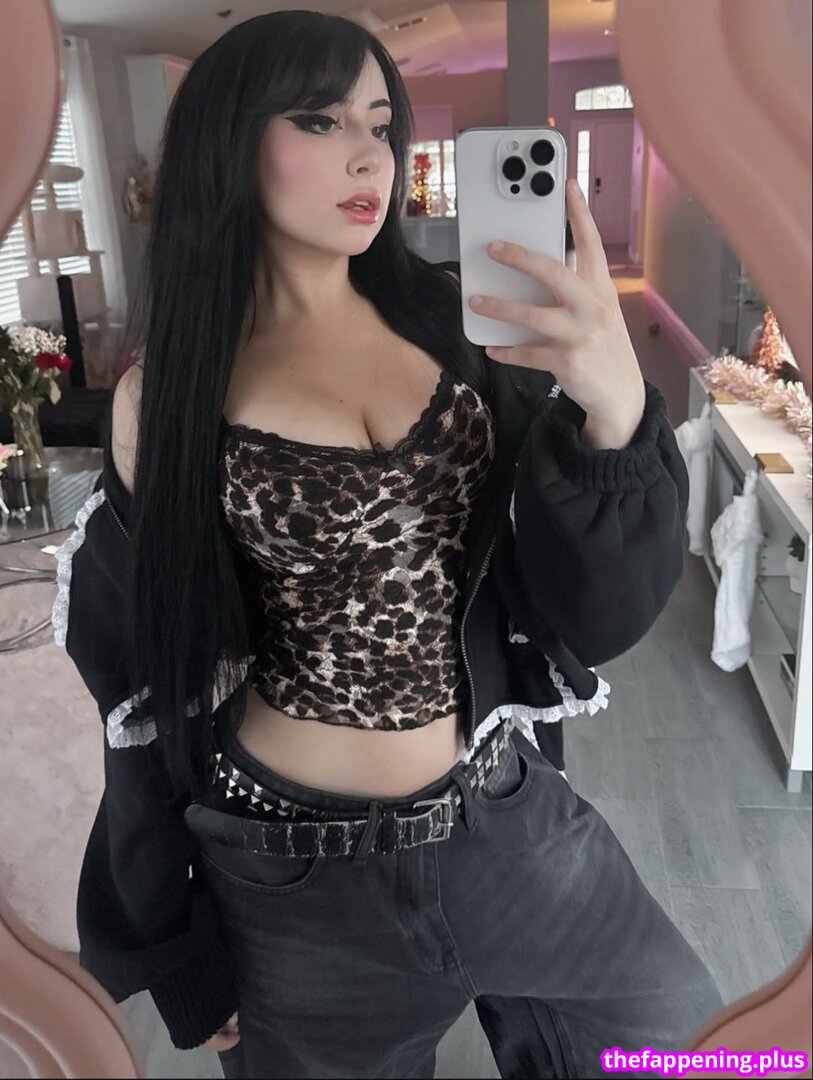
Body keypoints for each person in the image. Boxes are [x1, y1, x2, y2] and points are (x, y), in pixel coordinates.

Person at [54, 10, 723, 1078]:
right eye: (320, 120)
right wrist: (167, 941)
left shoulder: (456, 324)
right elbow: (139, 679)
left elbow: (592, 612)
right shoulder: (168, 395)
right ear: (230, 139)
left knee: (701, 1049)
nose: (371, 156)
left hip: (502, 816)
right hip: (296, 877)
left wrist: (612, 411)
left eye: (381, 122)